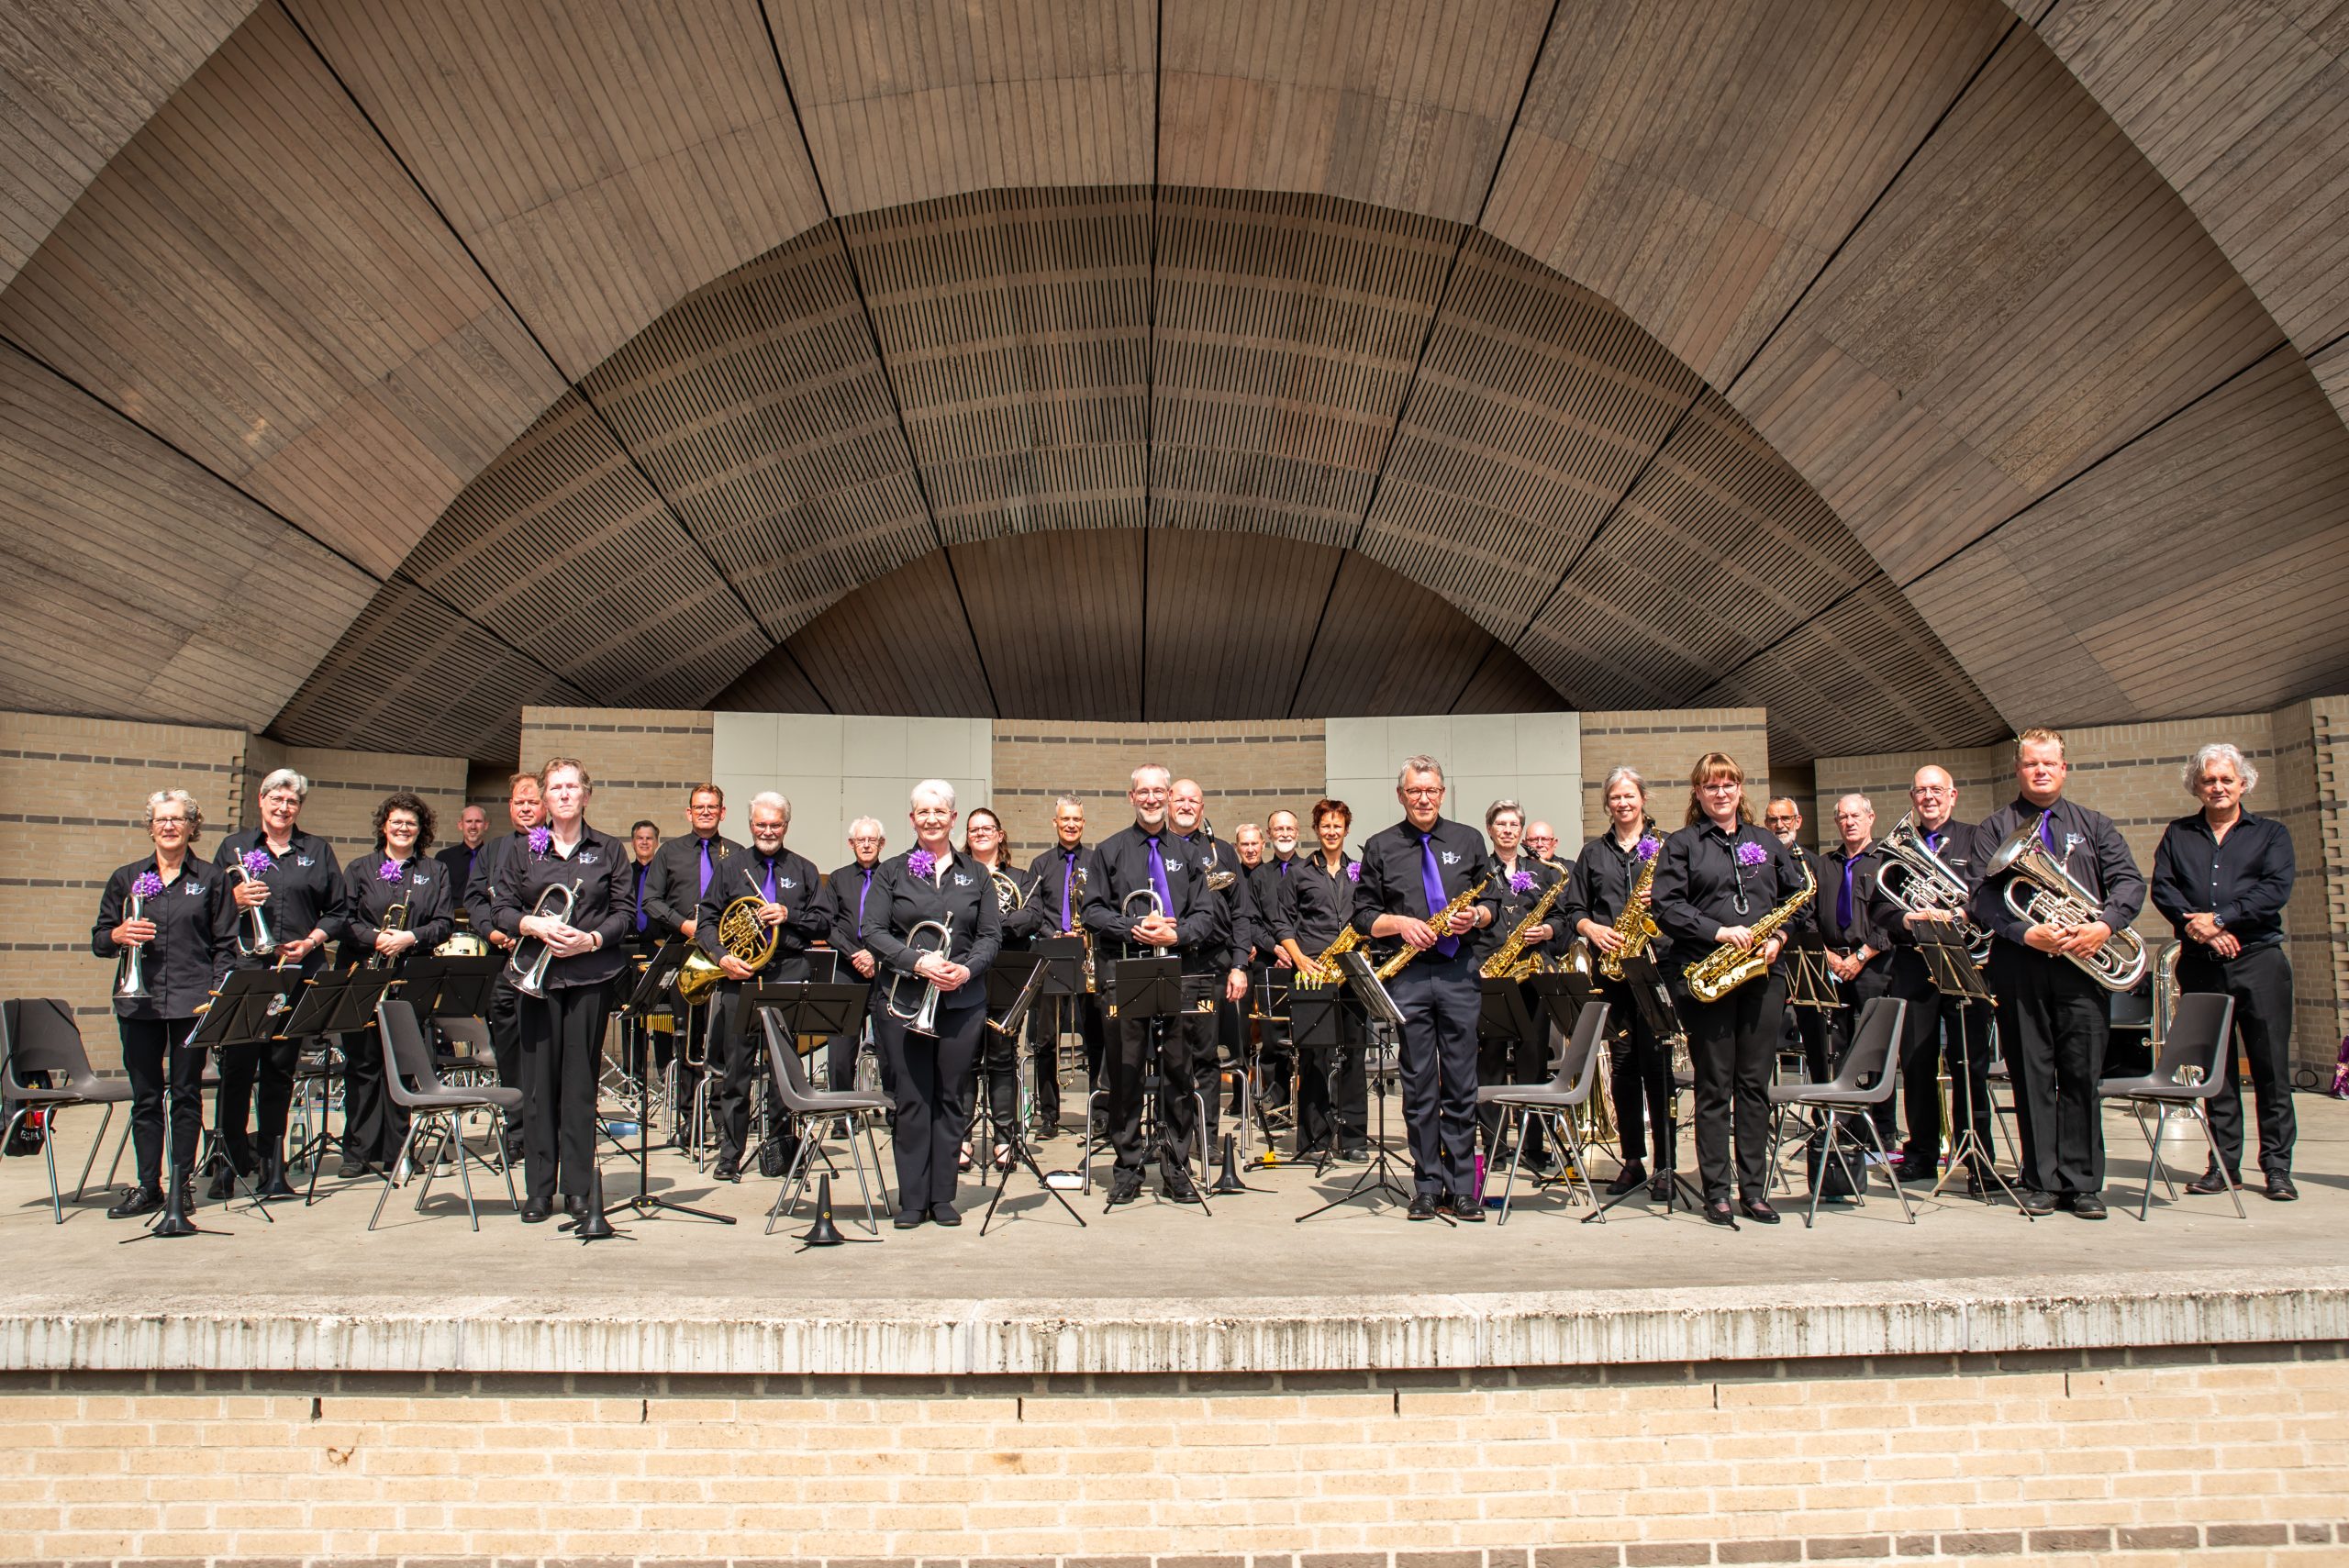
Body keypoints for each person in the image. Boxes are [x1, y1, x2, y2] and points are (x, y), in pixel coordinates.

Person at [1967, 728, 2145, 1220]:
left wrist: (2104, 926)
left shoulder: (2095, 825)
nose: (2040, 771)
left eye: (2049, 763)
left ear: (2064, 769)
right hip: (2021, 965)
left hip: (2082, 966)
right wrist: (2025, 934)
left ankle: (2083, 1183)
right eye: (2031, 764)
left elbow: (2129, 882)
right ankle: (2040, 1179)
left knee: (2081, 1074)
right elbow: (1980, 897)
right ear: (2018, 769)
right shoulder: (1995, 827)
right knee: (2031, 1073)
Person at [1649, 753, 1810, 1227]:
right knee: (1715, 1085)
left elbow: (1796, 901)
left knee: (1755, 1085)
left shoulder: (1766, 841)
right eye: (1710, 786)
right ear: (1697, 794)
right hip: (1708, 972)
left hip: (1762, 975)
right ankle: (1716, 1192)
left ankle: (1754, 1190)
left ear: (1741, 789)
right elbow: (1666, 906)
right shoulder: (1682, 844)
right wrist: (1718, 933)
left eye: (1728, 784)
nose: (1721, 793)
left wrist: (1778, 938)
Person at [1084, 765, 1241, 1206]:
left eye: (1159, 792)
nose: (1152, 799)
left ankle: (1177, 1167)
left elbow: (1207, 914)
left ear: (1169, 796)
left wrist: (1177, 935)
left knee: (1179, 1072)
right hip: (1126, 971)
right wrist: (1134, 927)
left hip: (1180, 970)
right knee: (1126, 1072)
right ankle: (1127, 1168)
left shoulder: (1192, 855)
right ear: (1131, 797)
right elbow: (1092, 911)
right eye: (1143, 792)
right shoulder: (1109, 850)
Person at [1352, 756, 1500, 1221]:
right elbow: (1361, 916)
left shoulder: (1468, 839)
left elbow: (1492, 900)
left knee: (1461, 1081)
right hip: (1409, 975)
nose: (1423, 798)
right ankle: (1426, 1185)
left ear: (1442, 792)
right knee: (1417, 1084)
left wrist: (1475, 916)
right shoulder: (1380, 846)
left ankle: (1463, 1188)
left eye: (1431, 790)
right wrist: (1398, 923)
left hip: (1459, 973)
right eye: (1414, 791)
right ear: (1401, 795)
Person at [2151, 741, 2298, 1201]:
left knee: (2271, 1067)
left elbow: (2274, 890)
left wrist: (2221, 918)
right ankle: (2224, 1166)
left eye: (2226, 780)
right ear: (2196, 785)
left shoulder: (2271, 834)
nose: (2217, 787)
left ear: (2243, 784)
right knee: (2216, 1070)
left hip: (2259, 962)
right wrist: (2205, 932)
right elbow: (2164, 889)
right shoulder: (2179, 833)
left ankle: (2277, 1168)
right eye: (2208, 780)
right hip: (2201, 965)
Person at [492, 758, 631, 1224]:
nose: (565, 794)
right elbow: (502, 909)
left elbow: (624, 914)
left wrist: (590, 939)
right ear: (545, 797)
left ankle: (576, 1189)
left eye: (573, 787)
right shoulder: (522, 851)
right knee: (537, 1087)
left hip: (591, 977)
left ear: (587, 796)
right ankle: (538, 1190)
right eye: (556, 788)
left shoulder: (609, 850)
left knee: (579, 1086)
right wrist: (530, 922)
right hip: (538, 979)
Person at [863, 780, 1003, 1228]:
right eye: (923, 812)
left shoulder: (976, 874)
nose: (931, 819)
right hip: (903, 1002)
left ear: (952, 817)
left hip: (961, 1002)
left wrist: (967, 969)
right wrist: (919, 962)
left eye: (939, 812)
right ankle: (911, 1199)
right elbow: (873, 930)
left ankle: (942, 1197)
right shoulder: (891, 872)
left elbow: (990, 935)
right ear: (912, 819)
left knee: (950, 1097)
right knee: (911, 1100)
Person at [90, 789, 231, 1218]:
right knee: (146, 1097)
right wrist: (116, 935)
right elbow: (99, 939)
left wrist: (216, 994)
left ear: (192, 826)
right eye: (160, 819)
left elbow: (226, 945)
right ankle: (149, 1185)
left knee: (187, 1095)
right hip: (139, 1003)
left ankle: (181, 1186)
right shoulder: (125, 878)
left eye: (177, 819)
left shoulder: (211, 878)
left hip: (192, 1002)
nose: (168, 826)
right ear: (150, 827)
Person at [213, 767, 344, 1200]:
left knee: (279, 1071)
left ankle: (273, 1168)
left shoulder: (317, 850)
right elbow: (209, 911)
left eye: (292, 802)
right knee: (237, 1070)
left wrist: (311, 942)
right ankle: (228, 1163)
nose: (284, 808)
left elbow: (338, 910)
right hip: (248, 972)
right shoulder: (233, 847)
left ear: (299, 807)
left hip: (296, 973)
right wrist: (232, 900)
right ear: (262, 801)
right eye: (277, 799)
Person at [694, 791, 835, 1183]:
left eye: (775, 824)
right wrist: (722, 957)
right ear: (750, 824)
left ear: (786, 826)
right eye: (760, 824)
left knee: (782, 1070)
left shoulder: (805, 869)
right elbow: (706, 920)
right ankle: (730, 1155)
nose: (767, 831)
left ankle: (779, 1152)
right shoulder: (731, 868)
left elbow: (825, 923)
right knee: (736, 1069)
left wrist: (790, 915)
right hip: (739, 975)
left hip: (787, 971)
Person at [1564, 767, 1672, 1201]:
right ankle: (1633, 1159)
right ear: (1606, 804)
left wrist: (1660, 900)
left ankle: (1665, 1162)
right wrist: (1591, 929)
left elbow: (1690, 901)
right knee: (1624, 1067)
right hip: (1611, 967)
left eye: (1630, 796)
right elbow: (1574, 908)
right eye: (1615, 798)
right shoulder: (1593, 853)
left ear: (1643, 798)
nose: (1623, 804)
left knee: (1658, 1065)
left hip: (1656, 967)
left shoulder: (1668, 847)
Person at [1886, 766, 1995, 1190]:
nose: (1929, 797)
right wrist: (1907, 918)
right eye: (1921, 791)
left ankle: (1978, 1157)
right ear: (1912, 797)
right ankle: (1922, 1153)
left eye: (1937, 790)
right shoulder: (1895, 849)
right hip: (1915, 965)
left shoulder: (1975, 838)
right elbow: (1880, 907)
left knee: (1971, 1063)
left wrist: (1962, 913)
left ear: (1953, 795)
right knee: (1915, 1063)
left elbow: (1989, 892)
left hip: (1967, 963)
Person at [336, 792, 452, 1176]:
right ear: (384, 825)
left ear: (421, 831)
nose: (403, 829)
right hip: (364, 973)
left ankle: (398, 1149)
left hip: (409, 973)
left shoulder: (435, 872)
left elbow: (443, 923)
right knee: (363, 1063)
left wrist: (411, 937)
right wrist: (375, 938)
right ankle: (359, 1151)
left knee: (403, 1065)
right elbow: (344, 919)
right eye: (397, 822)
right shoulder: (360, 868)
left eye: (411, 824)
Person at [642, 784, 741, 1145]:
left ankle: (721, 1117)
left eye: (712, 807)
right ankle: (690, 1121)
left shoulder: (737, 854)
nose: (705, 812)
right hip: (685, 951)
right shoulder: (669, 852)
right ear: (688, 813)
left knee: (722, 1039)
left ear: (722, 812)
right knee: (686, 1038)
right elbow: (650, 901)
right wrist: (683, 924)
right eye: (699, 807)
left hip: (723, 956)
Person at [1273, 798, 1369, 1160]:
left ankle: (1354, 1139)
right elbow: (1281, 922)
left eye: (1338, 825)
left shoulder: (1359, 871)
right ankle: (1314, 1140)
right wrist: (1299, 959)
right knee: (1314, 1057)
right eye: (1325, 825)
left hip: (1352, 972)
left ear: (1346, 829)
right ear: (1317, 829)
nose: (1332, 832)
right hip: (1313, 972)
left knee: (1355, 1056)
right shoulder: (1299, 872)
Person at [1474, 798, 1562, 1173]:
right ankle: (1494, 1145)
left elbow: (1563, 917)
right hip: (1491, 974)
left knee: (1533, 1060)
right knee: (1489, 1060)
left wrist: (1550, 929)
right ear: (1491, 829)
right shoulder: (1479, 872)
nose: (1507, 830)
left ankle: (1534, 1146)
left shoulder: (1543, 872)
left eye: (1514, 824)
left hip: (1532, 975)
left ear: (1521, 831)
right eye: (1501, 824)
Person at [1170, 779, 1254, 1151]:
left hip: (1212, 963)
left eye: (1194, 800)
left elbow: (1241, 913)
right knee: (1170, 1056)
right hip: (1168, 964)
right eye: (1180, 799)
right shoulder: (1156, 850)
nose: (1187, 805)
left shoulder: (1221, 854)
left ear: (1202, 808)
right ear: (1169, 804)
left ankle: (1206, 1137)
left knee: (1206, 1055)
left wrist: (1239, 964)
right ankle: (1173, 1137)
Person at [462, 772, 541, 1156]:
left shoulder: (556, 845)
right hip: (504, 963)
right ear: (510, 807)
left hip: (547, 964)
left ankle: (545, 1129)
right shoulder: (492, 851)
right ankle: (516, 1132)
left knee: (545, 1052)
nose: (525, 808)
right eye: (518, 802)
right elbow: (476, 900)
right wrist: (493, 932)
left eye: (532, 801)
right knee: (509, 1052)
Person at [964, 806, 1046, 1167]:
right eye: (973, 829)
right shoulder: (958, 875)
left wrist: (990, 925)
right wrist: (997, 923)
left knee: (1001, 1056)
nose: (981, 833)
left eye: (987, 828)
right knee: (963, 1059)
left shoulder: (1022, 878)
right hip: (965, 974)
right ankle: (962, 1138)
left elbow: (1031, 916)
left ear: (1000, 835)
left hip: (1006, 971)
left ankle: (1003, 1137)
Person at [1025, 795, 1103, 1138]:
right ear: (1055, 823)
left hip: (1088, 960)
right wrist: (1053, 933)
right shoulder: (1040, 865)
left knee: (1096, 1038)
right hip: (1052, 960)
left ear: (1083, 823)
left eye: (1077, 819)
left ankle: (1100, 1113)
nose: (1071, 824)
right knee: (1046, 1042)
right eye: (1065, 819)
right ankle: (1049, 1116)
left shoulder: (1097, 861)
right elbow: (1034, 911)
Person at [827, 816, 890, 1096]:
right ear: (851, 844)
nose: (866, 845)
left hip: (882, 968)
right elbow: (828, 924)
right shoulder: (838, 879)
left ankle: (893, 1109)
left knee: (889, 1043)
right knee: (841, 1045)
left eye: (872, 840)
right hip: (846, 968)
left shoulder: (892, 876)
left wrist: (874, 956)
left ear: (882, 844)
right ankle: (841, 1111)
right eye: (861, 840)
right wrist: (856, 954)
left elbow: (898, 924)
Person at [1244, 814, 1301, 1118]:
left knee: (1306, 1036)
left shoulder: (1309, 870)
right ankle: (1277, 1108)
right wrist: (1275, 946)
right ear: (1269, 833)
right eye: (1278, 828)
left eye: (1289, 828)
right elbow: (1250, 921)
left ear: (1298, 831)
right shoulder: (1258, 876)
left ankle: (1306, 1106)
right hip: (1269, 965)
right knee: (1273, 1038)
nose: (1284, 833)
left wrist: (1294, 950)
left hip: (1303, 965)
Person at [434, 805, 489, 933]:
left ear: (485, 825)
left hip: (486, 926)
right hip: (451, 928)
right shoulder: (444, 858)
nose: (473, 826)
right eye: (469, 821)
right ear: (460, 825)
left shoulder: (495, 856)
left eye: (478, 821)